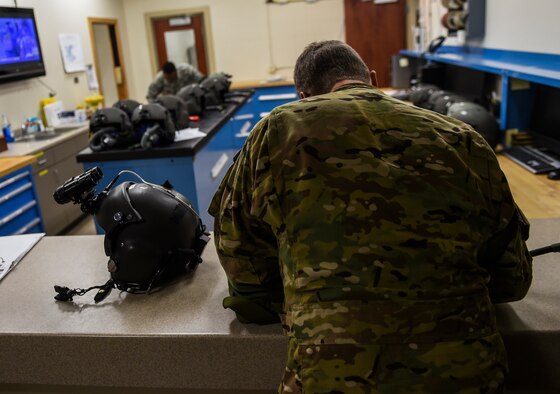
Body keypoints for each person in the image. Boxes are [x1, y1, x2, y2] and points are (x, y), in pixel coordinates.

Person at [208, 40, 532, 393]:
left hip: (332, 377)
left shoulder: (276, 132)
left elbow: (242, 261)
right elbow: (512, 277)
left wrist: (294, 294)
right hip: (471, 375)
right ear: (373, 79)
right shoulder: (462, 138)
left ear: (304, 96)